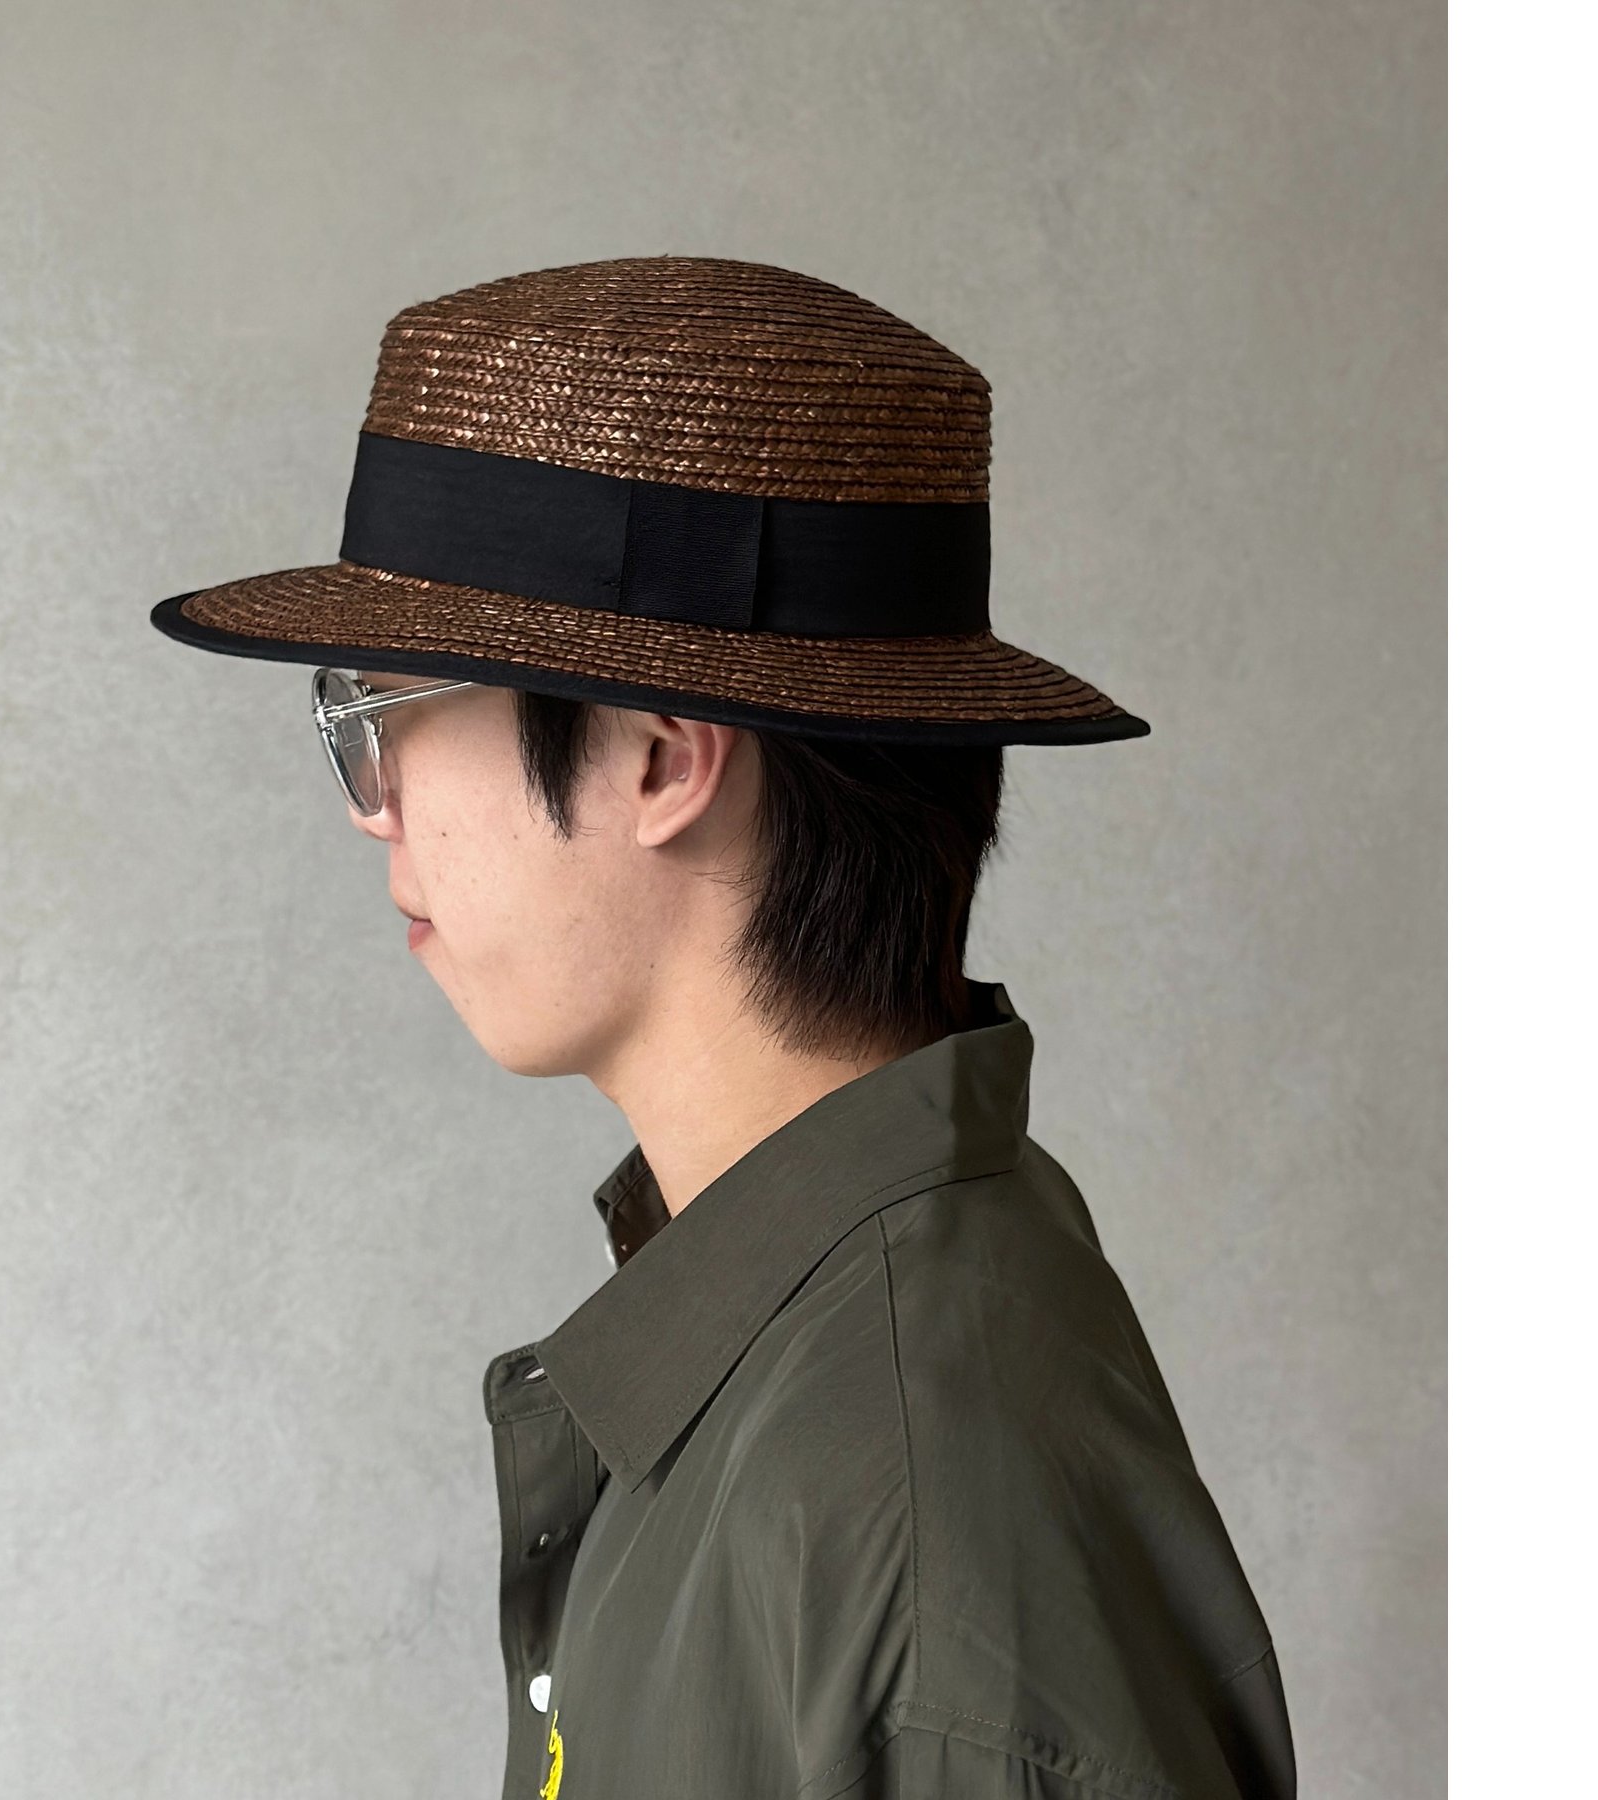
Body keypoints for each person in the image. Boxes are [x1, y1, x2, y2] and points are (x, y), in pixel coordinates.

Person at [151, 253, 1297, 1799]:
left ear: (658, 758)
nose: (378, 809)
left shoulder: (912, 1533)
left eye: (385, 710)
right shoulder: (810, 1350)